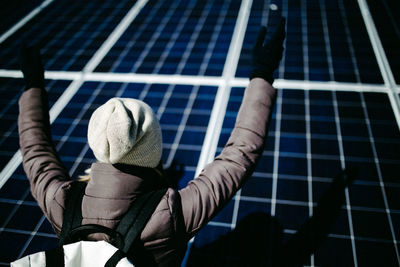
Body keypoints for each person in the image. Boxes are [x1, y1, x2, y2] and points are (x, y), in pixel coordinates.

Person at [17, 18, 286, 266]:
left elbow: (34, 150)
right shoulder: (168, 214)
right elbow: (240, 154)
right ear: (152, 147)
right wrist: (262, 73)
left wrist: (32, 85)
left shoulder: (61, 201)